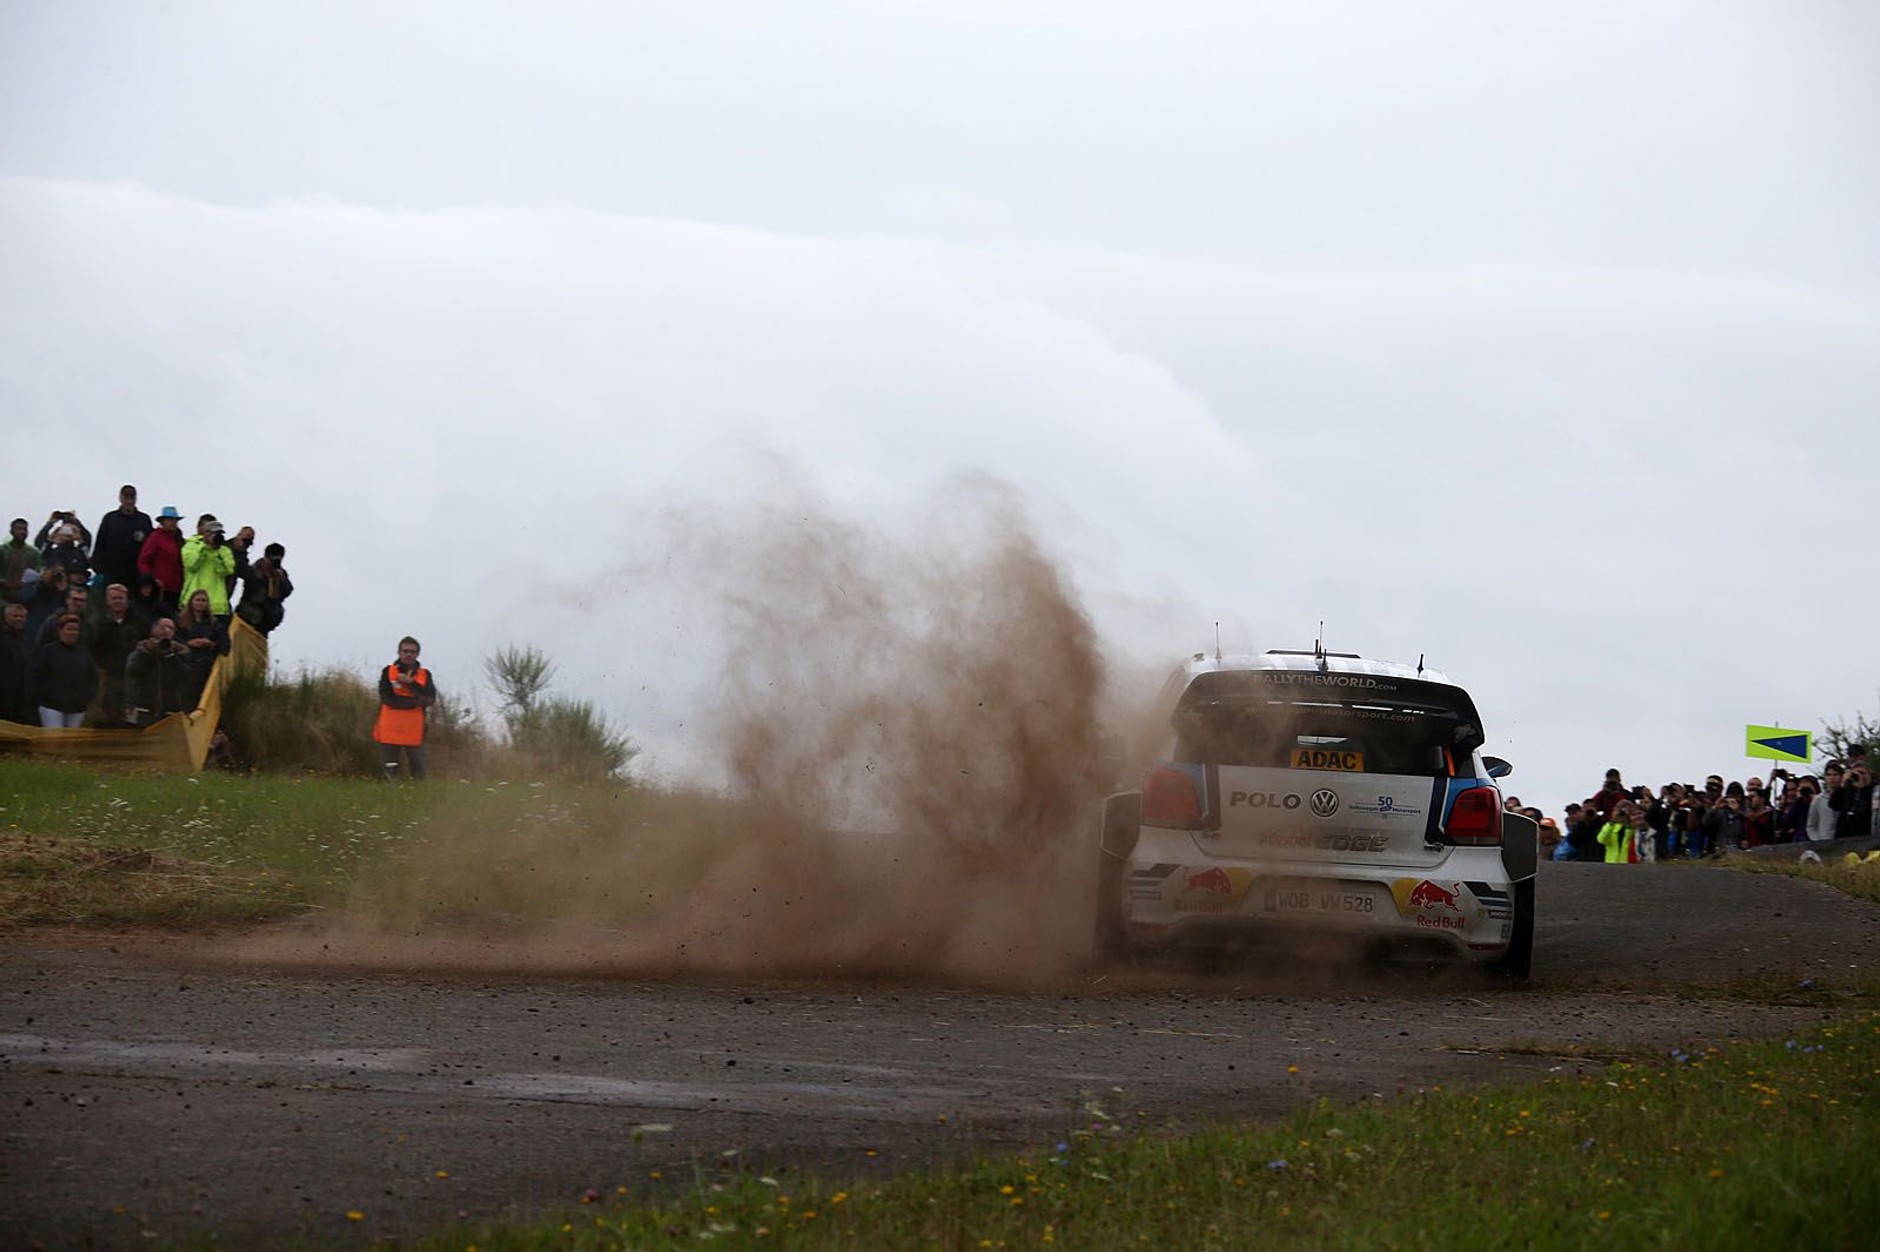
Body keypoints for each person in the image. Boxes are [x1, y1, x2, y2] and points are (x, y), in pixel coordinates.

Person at [373, 636, 436, 780]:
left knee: (418, 768)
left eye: (412, 652)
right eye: (405, 651)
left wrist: (410, 684)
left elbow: (430, 699)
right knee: (390, 768)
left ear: (417, 654)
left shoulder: (424, 675)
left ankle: (419, 796)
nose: (409, 654)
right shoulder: (388, 672)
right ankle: (389, 795)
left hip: (415, 728)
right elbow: (386, 698)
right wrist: (414, 702)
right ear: (399, 652)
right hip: (390, 726)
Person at [89, 583, 149, 724]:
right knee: (110, 714)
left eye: (121, 598)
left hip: (135, 678)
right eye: (114, 598)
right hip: (109, 677)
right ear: (107, 601)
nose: (117, 601)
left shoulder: (140, 621)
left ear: (126, 600)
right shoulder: (97, 623)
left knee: (132, 717)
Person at [31, 613, 98, 728]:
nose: (73, 632)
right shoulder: (48, 651)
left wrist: (86, 697)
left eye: (76, 629)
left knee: (70, 742)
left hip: (77, 707)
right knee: (55, 740)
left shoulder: (83, 652)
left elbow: (92, 676)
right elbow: (37, 676)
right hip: (52, 706)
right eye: (69, 629)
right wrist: (44, 695)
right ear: (60, 630)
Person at [125, 618, 193, 725]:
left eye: (171, 628)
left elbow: (186, 675)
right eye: (163, 627)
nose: (167, 631)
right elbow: (132, 672)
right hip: (146, 707)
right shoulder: (142, 649)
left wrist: (170, 656)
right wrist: (146, 654)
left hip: (171, 708)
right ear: (153, 629)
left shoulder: (181, 651)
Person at [173, 588, 229, 709]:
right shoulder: (180, 620)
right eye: (197, 600)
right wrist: (189, 643)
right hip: (184, 663)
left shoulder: (214, 623)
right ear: (191, 602)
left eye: (204, 600)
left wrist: (211, 644)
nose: (200, 603)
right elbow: (174, 638)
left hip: (205, 663)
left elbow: (225, 644)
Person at [92, 485, 153, 592]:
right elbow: (100, 543)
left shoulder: (144, 520)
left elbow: (150, 547)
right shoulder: (110, 519)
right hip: (112, 572)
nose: (129, 501)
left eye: (132, 498)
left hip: (135, 574)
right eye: (126, 497)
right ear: (120, 498)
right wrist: (98, 568)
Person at [180, 518, 237, 621]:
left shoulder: (224, 551)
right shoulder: (191, 546)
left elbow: (226, 571)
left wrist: (215, 552)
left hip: (216, 606)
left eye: (219, 533)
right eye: (213, 533)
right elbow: (191, 565)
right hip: (193, 602)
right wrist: (204, 548)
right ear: (205, 533)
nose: (217, 536)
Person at [137, 507, 186, 616]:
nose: (173, 523)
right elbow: (143, 561)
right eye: (170, 520)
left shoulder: (179, 540)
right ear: (163, 521)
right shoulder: (155, 537)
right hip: (160, 590)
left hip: (178, 589)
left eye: (175, 520)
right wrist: (152, 580)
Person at [235, 543, 293, 634]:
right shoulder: (257, 568)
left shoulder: (281, 573)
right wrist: (262, 575)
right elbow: (249, 585)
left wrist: (281, 579)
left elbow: (287, 591)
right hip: (249, 615)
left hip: (267, 620)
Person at [0, 601, 32, 723]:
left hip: (23, 698)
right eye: (15, 616)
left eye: (21, 616)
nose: (18, 619)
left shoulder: (27, 640)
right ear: (6, 617)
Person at [2, 517, 39, 603]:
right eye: (18, 529)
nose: (22, 532)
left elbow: (38, 572)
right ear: (11, 531)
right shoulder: (3, 550)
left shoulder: (34, 552)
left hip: (26, 595)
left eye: (24, 529)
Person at [1808, 764, 1843, 842]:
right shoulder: (1818, 799)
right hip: (1824, 842)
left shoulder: (1847, 797)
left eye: (1835, 775)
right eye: (1829, 775)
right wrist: (1817, 840)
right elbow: (1811, 825)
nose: (1832, 778)